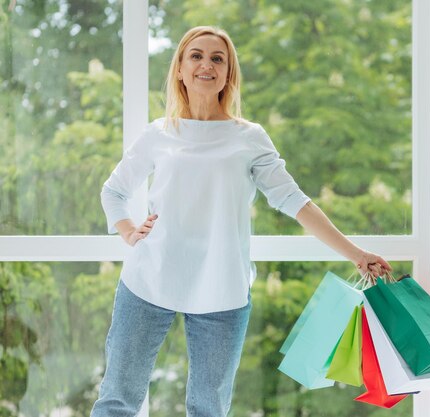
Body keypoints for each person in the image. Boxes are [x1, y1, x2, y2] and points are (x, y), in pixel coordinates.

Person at [90, 25, 392, 417]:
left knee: (209, 408)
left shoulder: (248, 137)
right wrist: (128, 230)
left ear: (228, 74)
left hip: (221, 288)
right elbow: (113, 191)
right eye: (196, 56)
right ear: (179, 69)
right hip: (149, 280)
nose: (206, 64)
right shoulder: (158, 134)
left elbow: (295, 202)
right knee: (117, 400)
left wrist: (356, 253)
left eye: (218, 58)